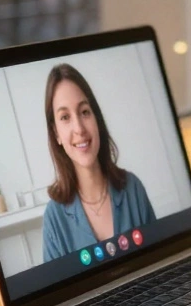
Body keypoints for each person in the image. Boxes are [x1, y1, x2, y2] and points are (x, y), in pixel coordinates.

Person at [41, 63, 156, 261]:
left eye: (84, 112)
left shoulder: (133, 188)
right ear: (56, 133)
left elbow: (160, 261)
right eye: (65, 117)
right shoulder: (54, 218)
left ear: (96, 119)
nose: (79, 128)